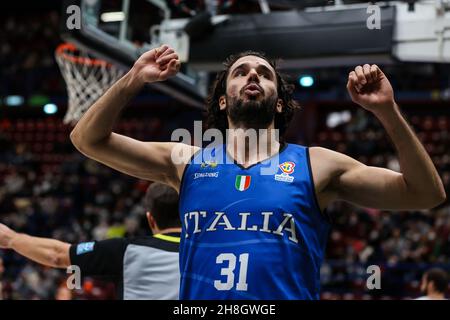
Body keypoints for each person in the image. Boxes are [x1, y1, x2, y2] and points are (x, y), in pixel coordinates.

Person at [69, 44, 446, 299]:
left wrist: (386, 111)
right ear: (223, 98)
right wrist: (134, 77)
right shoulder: (186, 162)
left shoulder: (317, 164)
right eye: (241, 72)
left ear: (279, 103)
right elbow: (88, 139)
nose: (253, 77)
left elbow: (425, 194)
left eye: (264, 74)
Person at [0, 183, 181, 300]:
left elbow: (57, 255)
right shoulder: (208, 251)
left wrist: (10, 239)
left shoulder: (126, 250)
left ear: (150, 219)